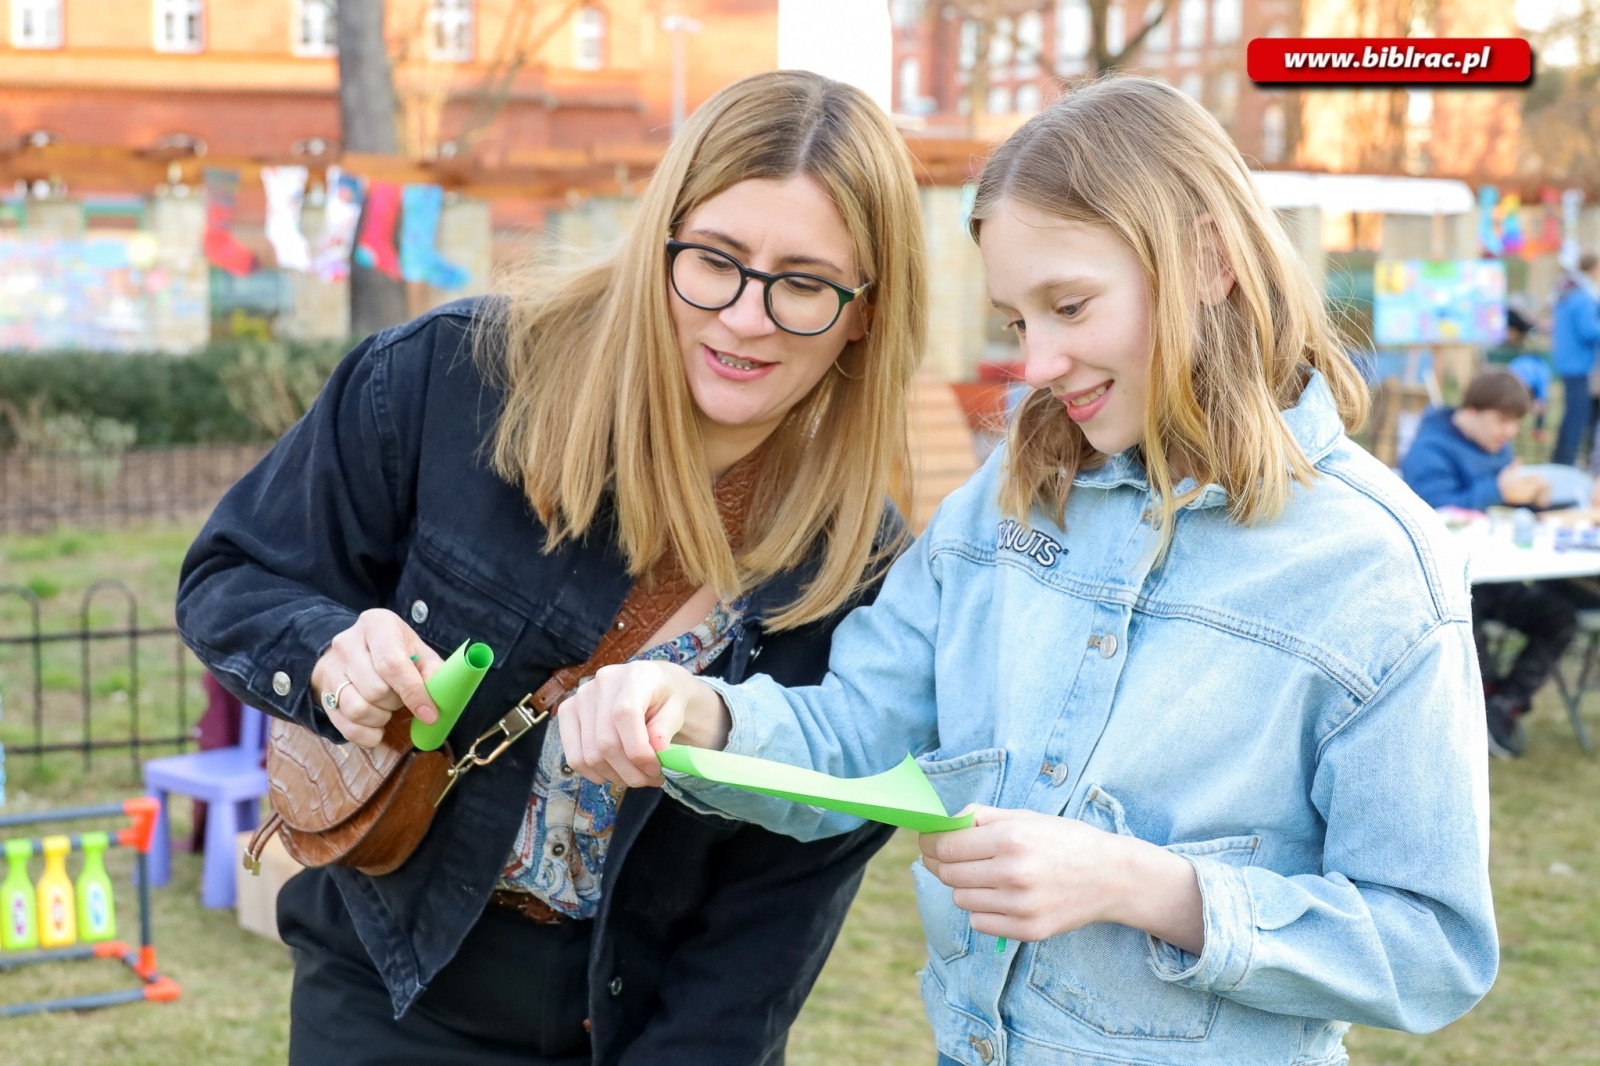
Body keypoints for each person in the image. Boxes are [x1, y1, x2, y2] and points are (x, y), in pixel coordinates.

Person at [561, 76, 1499, 1065]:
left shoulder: (1376, 572)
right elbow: (854, 734)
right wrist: (698, 713)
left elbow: (1427, 948)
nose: (1039, 361)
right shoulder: (1003, 503)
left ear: (1209, 260)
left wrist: (1140, 885)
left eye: (1069, 305)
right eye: (1018, 321)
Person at [175, 70, 927, 1064]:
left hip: (639, 1022)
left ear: (865, 311)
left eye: (802, 283)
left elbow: (788, 884)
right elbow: (229, 575)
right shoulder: (452, 378)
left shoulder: (857, 562)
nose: (745, 317)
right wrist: (324, 652)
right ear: (660, 240)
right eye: (714, 260)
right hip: (387, 984)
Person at [1401, 369, 1585, 757]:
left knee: (1559, 618)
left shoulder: (1496, 447)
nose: (1509, 432)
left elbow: (1497, 509)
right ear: (1471, 410)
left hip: (1498, 572)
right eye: (1502, 420)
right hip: (1447, 582)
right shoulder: (1428, 449)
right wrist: (1498, 489)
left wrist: (1532, 500)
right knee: (1468, 619)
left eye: (1516, 422)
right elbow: (1431, 513)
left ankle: (1503, 705)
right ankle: (1477, 708)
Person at [1549, 252, 1600, 465]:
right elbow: (1588, 330)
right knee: (1577, 417)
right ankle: (1566, 462)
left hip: (1568, 361)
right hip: (1579, 364)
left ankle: (1561, 459)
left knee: (1573, 414)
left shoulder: (1569, 292)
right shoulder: (1583, 296)